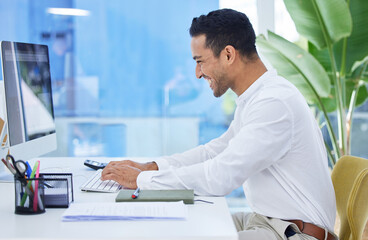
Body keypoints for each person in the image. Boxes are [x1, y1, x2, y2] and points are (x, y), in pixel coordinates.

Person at [101, 8, 337, 240]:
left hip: (296, 234)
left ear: (228, 54)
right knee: (175, 226)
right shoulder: (256, 98)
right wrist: (151, 168)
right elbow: (214, 152)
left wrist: (141, 180)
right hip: (267, 222)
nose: (197, 73)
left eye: (200, 61)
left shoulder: (274, 102)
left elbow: (221, 176)